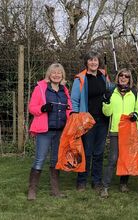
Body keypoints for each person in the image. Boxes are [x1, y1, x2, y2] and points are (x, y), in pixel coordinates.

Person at [27, 63, 72, 200]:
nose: (56, 75)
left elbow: (68, 108)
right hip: (45, 131)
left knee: (56, 160)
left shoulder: (64, 90)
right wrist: (42, 109)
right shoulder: (41, 88)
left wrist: (72, 116)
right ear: (49, 74)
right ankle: (32, 190)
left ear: (62, 75)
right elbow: (31, 107)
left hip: (60, 131)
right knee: (40, 159)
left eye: (59, 73)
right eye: (54, 73)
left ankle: (55, 190)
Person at [71, 51, 113, 191]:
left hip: (102, 120)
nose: (93, 63)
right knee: (87, 151)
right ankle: (81, 180)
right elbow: (74, 100)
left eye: (95, 60)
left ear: (98, 62)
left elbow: (110, 91)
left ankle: (96, 181)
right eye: (90, 60)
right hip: (87, 120)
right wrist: (76, 117)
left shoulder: (103, 76)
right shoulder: (81, 79)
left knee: (99, 152)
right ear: (86, 62)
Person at [100, 68, 138, 198]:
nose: (123, 78)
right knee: (112, 159)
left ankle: (123, 183)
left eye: (126, 76)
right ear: (118, 77)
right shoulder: (112, 92)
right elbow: (107, 112)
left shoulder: (134, 93)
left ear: (130, 79)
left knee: (126, 158)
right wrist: (106, 101)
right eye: (121, 76)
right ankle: (105, 186)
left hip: (129, 131)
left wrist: (136, 115)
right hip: (115, 130)